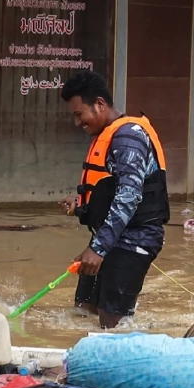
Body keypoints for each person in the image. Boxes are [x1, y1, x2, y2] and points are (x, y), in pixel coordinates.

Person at [59, 70, 169, 328]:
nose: (77, 123)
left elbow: (129, 197)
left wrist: (97, 249)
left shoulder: (128, 136)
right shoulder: (107, 135)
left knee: (112, 322)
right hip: (110, 239)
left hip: (134, 240)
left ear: (99, 104)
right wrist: (81, 206)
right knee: (84, 311)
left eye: (79, 115)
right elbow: (111, 190)